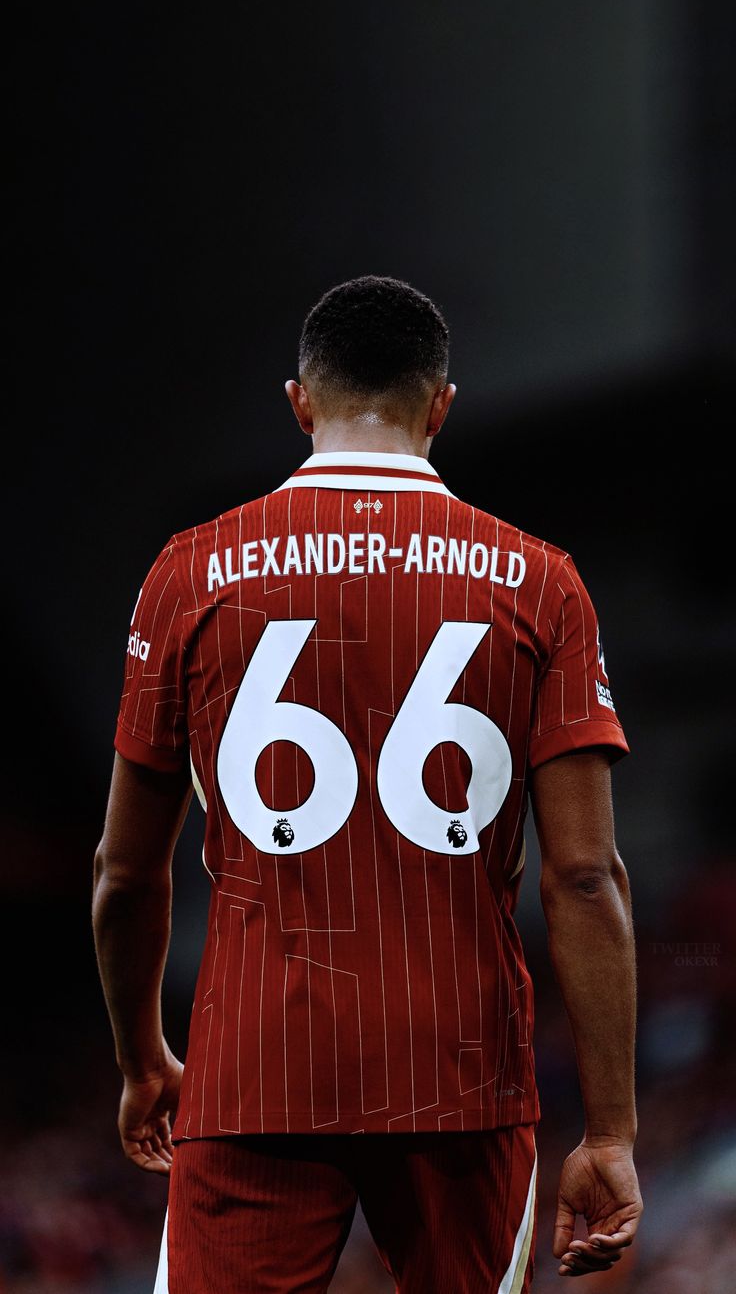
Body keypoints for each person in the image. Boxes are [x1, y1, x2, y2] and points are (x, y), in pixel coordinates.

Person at [92, 275, 642, 1292]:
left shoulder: (187, 573)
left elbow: (126, 874)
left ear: (298, 402)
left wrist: (141, 1062)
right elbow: (584, 877)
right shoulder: (540, 579)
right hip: (463, 1074)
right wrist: (609, 1128)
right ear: (442, 406)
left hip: (254, 1065)